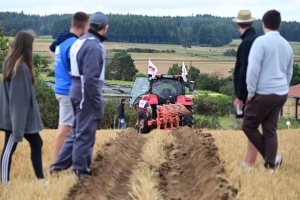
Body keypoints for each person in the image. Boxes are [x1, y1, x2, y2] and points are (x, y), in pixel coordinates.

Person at [49, 12, 109, 177]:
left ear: (90, 26)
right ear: (105, 27)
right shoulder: (94, 46)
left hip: (76, 88)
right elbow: (90, 78)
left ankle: (58, 165)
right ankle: (81, 171)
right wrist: (98, 102)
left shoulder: (79, 41)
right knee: (85, 133)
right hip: (85, 92)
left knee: (76, 131)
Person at [242, 10, 293, 173]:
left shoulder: (260, 42)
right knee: (270, 130)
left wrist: (250, 92)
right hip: (280, 94)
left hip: (263, 93)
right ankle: (271, 167)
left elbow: (253, 70)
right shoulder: (287, 45)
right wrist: (284, 88)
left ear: (263, 24)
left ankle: (272, 159)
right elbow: (289, 72)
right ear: (280, 24)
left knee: (248, 126)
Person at [0, 30, 46, 185]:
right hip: (17, 121)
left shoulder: (17, 65)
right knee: (9, 149)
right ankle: (4, 183)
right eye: (32, 42)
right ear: (27, 45)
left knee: (37, 143)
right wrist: (17, 128)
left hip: (22, 120)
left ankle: (41, 180)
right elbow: (17, 102)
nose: (34, 45)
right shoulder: (19, 69)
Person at [49, 12, 89, 163]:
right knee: (65, 128)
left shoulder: (62, 41)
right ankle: (55, 165)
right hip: (67, 90)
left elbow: (52, 51)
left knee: (72, 128)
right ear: (84, 26)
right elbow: (78, 68)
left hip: (62, 88)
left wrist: (62, 67)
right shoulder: (74, 44)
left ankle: (68, 162)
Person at [232, 10, 258, 167]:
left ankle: (250, 162)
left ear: (238, 25)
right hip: (265, 90)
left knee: (250, 127)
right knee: (264, 127)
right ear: (252, 23)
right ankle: (262, 158)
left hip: (250, 93)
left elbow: (243, 72)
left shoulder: (246, 44)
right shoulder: (259, 40)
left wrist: (240, 96)